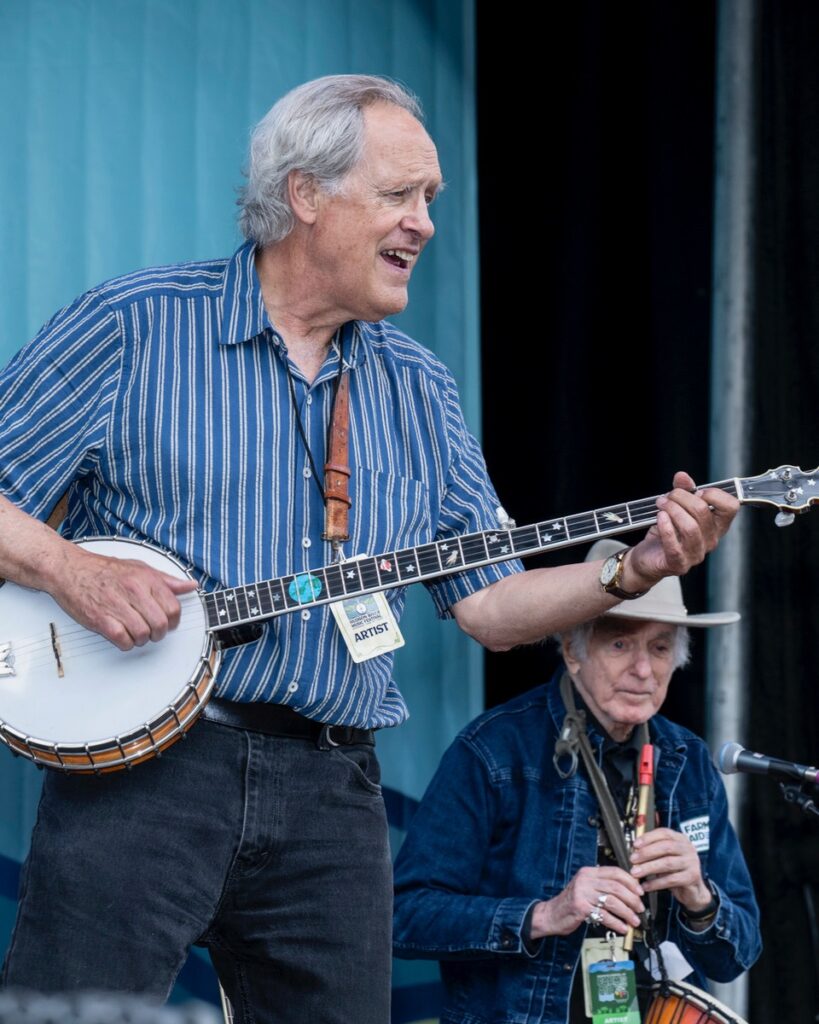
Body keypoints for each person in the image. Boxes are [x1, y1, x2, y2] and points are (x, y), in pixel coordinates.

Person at [0, 75, 737, 1022]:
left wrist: (629, 571)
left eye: (431, 198)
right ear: (305, 194)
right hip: (145, 775)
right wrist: (73, 569)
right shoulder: (133, 324)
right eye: (400, 194)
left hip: (332, 788)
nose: (424, 223)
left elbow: (491, 605)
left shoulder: (420, 387)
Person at [393, 538, 761, 1024]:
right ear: (572, 650)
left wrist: (698, 895)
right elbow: (405, 916)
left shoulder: (689, 760)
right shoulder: (493, 749)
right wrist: (544, 914)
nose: (643, 670)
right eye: (620, 644)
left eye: (659, 647)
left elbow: (739, 954)